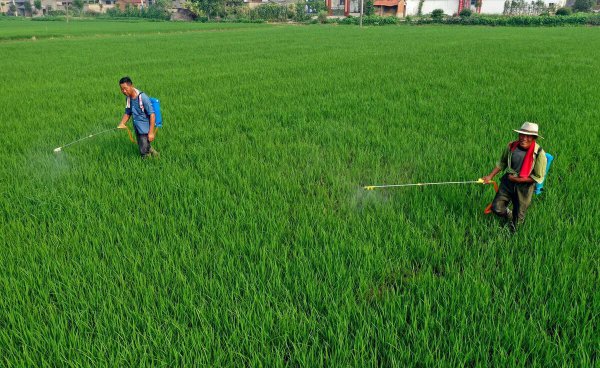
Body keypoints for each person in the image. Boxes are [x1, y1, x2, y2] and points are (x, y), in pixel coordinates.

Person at [482, 122, 547, 231]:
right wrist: (490, 176)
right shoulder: (512, 146)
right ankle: (509, 215)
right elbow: (502, 162)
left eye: (528, 136)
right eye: (521, 134)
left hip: (524, 187)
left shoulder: (539, 154)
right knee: (496, 207)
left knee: (519, 218)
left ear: (534, 138)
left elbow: (537, 177)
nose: (524, 138)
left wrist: (517, 179)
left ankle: (514, 233)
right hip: (508, 182)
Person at [117, 76, 158, 158]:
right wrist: (122, 123)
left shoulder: (143, 98)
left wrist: (151, 132)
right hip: (137, 126)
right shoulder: (128, 98)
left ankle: (147, 163)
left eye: (125, 88)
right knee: (143, 144)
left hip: (145, 128)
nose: (124, 91)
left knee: (143, 150)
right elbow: (128, 112)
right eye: (122, 89)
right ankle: (156, 156)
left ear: (131, 86)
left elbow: (152, 114)